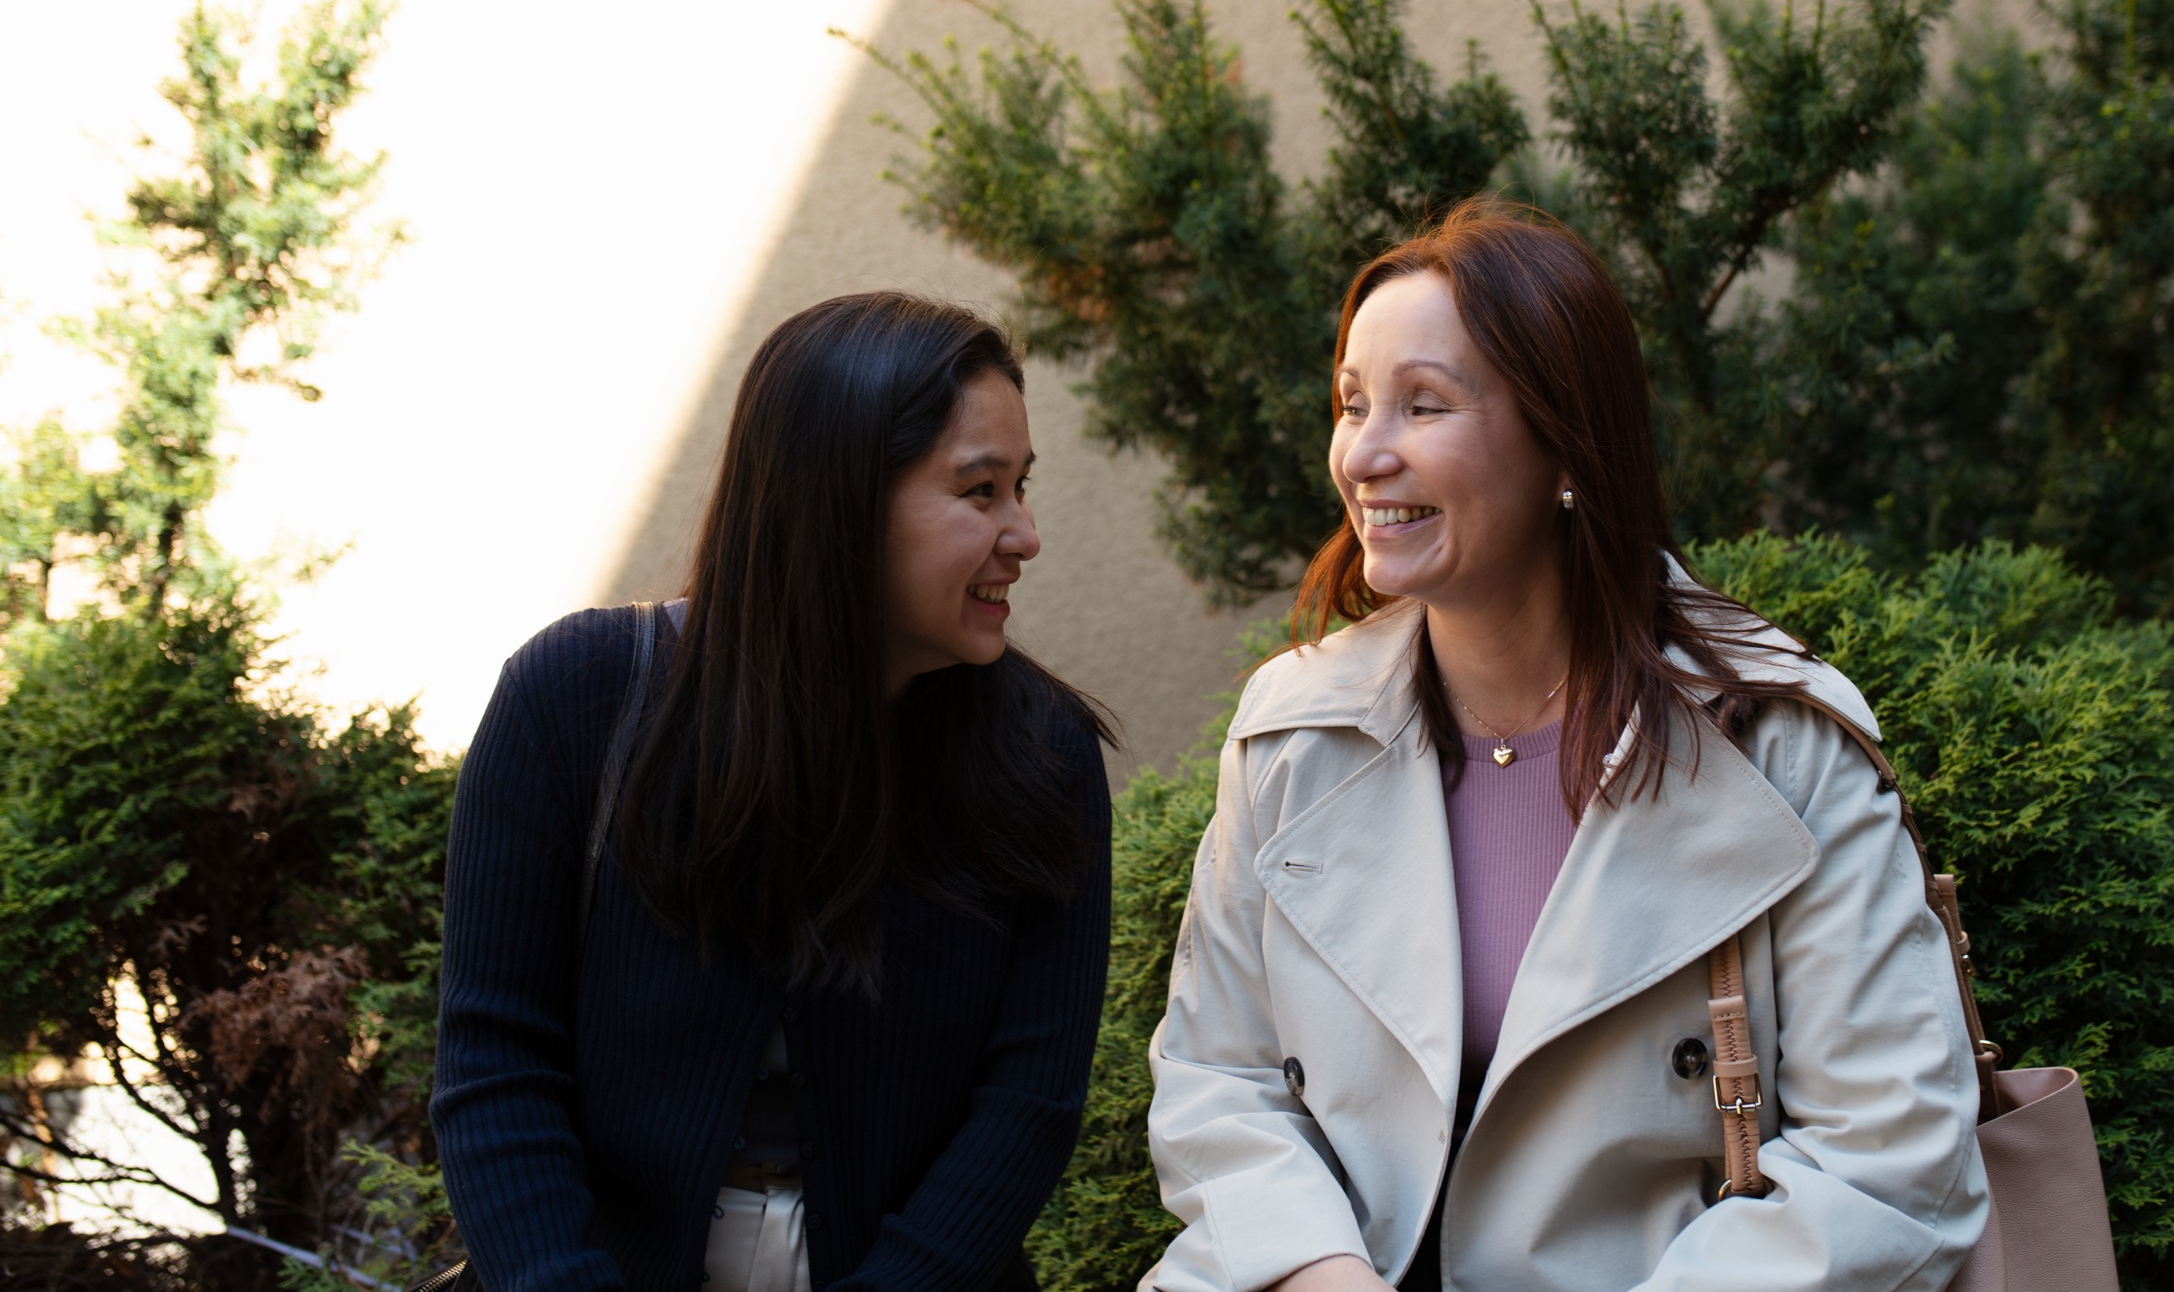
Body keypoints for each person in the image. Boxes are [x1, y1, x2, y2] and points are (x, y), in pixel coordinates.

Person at [1145, 200, 1989, 1292]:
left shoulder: (1780, 745)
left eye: (1424, 405)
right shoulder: (1292, 733)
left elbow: (1889, 1157)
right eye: (1352, 403)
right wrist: (1318, 1273)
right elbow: (1217, 1075)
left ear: (1564, 444)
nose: (1366, 452)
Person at [433, 292, 1114, 1292]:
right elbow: (496, 1062)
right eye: (980, 491)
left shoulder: (1043, 749)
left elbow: (1029, 1098)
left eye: (1020, 486)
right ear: (837, 497)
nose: (1024, 533)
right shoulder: (571, 696)